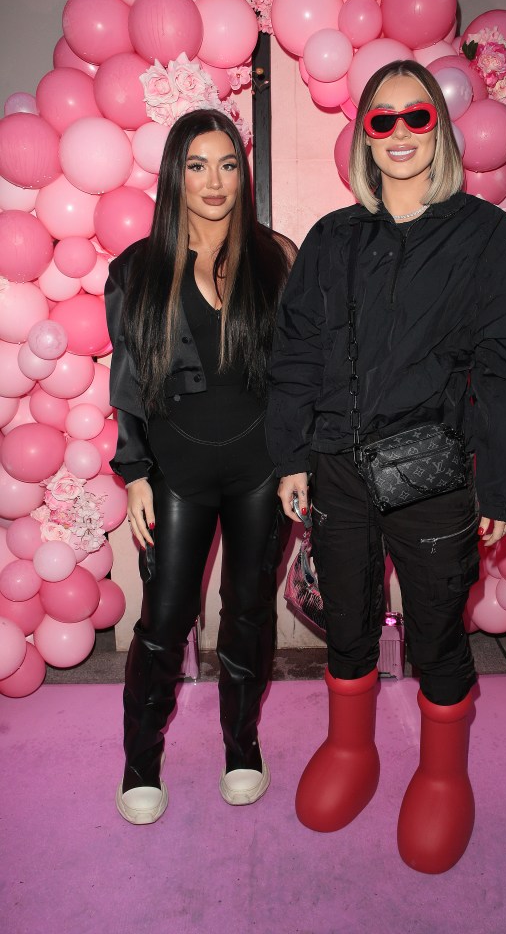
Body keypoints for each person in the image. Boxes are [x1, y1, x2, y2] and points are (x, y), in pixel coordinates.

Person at [266, 61, 506, 873]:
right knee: (346, 621)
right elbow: (298, 353)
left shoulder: (482, 234)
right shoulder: (332, 238)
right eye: (379, 120)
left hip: (435, 473)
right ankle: (352, 753)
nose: (397, 134)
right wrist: (293, 454)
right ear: (363, 134)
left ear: (439, 128)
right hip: (339, 471)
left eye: (414, 117)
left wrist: (500, 480)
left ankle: (442, 771)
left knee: (436, 629)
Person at [105, 108, 294, 825]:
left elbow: (297, 375)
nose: (214, 182)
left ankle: (241, 746)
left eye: (226, 165)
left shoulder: (276, 255)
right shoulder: (136, 268)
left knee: (248, 615)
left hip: (262, 471)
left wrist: (297, 463)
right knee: (164, 621)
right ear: (174, 175)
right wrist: (137, 474)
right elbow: (128, 383)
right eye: (197, 165)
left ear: (242, 173)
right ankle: (140, 759)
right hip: (177, 473)